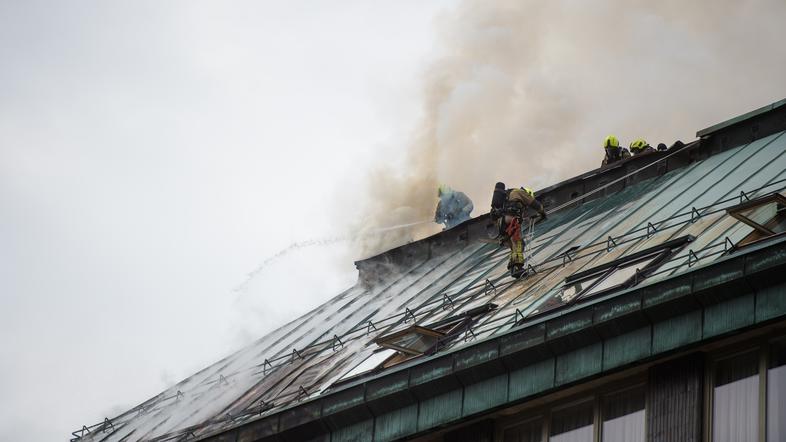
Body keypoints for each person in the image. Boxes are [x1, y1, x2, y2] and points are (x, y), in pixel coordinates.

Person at [490, 182, 547, 278]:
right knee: (519, 243)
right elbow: (535, 204)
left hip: (500, 223)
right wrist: (542, 212)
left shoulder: (507, 196)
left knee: (514, 246)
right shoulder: (521, 192)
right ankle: (518, 268)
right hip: (511, 220)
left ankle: (513, 268)